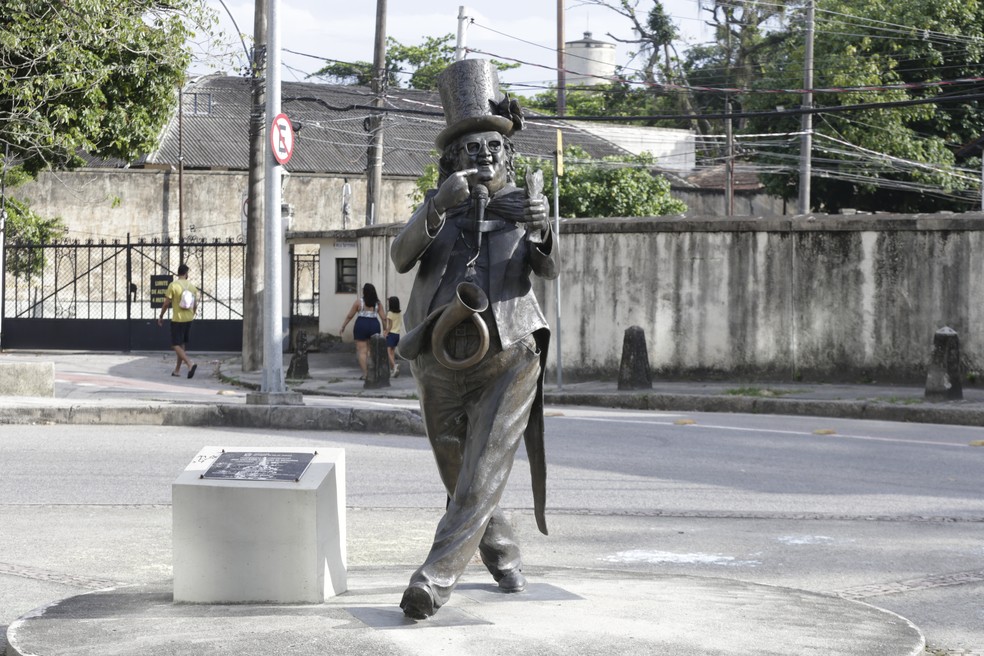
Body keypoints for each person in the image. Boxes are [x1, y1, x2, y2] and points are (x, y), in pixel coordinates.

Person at [390, 59, 556, 620]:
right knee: (459, 470)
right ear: (451, 161)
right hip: (437, 353)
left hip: (510, 353)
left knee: (484, 466)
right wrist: (438, 205)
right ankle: (504, 554)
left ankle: (434, 580)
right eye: (471, 149)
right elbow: (400, 256)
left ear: (507, 154)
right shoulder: (439, 208)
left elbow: (549, 268)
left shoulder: (527, 203)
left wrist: (542, 229)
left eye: (493, 146)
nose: (484, 154)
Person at [157, 263, 200, 379]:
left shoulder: (173, 285)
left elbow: (166, 303)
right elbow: (195, 304)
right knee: (181, 345)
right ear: (186, 273)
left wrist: (161, 316)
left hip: (178, 319)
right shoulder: (192, 286)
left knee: (175, 344)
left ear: (178, 273)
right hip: (189, 318)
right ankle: (177, 370)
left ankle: (190, 363)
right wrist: (193, 314)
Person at [339, 282, 384, 379]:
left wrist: (343, 326)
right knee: (373, 351)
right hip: (374, 325)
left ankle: (366, 374)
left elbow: (350, 316)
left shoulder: (359, 302)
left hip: (361, 325)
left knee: (362, 351)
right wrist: (385, 330)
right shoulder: (378, 304)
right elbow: (384, 318)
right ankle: (374, 372)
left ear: (364, 292)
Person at [384, 296, 403, 378]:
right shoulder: (399, 313)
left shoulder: (390, 313)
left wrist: (385, 332)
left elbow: (390, 326)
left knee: (388, 352)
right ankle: (393, 370)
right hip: (397, 334)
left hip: (391, 334)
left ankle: (395, 366)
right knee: (392, 352)